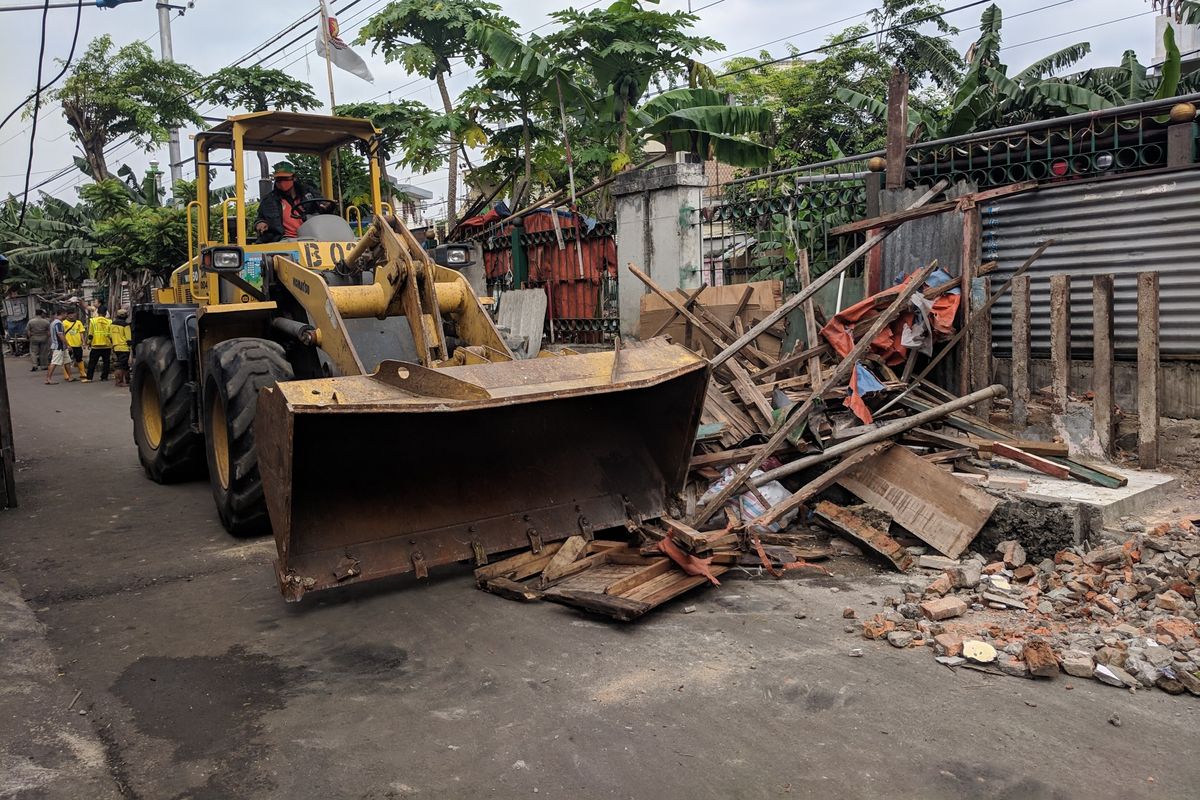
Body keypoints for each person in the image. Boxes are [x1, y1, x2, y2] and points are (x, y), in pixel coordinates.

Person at [253, 162, 321, 243]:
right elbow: (260, 218)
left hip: (313, 237)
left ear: (294, 178)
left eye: (285, 179)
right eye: (278, 179)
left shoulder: (309, 193)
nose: (282, 182)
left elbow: (322, 208)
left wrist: (327, 206)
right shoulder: (269, 200)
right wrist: (260, 223)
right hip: (285, 240)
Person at [86, 304, 113, 381]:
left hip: (95, 345)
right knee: (106, 362)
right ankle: (104, 377)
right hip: (107, 345)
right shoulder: (109, 321)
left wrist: (88, 342)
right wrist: (112, 343)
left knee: (92, 362)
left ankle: (89, 378)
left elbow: (90, 333)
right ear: (105, 313)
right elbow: (111, 335)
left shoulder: (93, 321)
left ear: (98, 312)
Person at [46, 309, 74, 384]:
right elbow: (60, 335)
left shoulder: (54, 322)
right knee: (54, 362)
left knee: (67, 361)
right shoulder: (58, 323)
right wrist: (67, 344)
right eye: (65, 314)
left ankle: (70, 377)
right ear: (62, 314)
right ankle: (48, 379)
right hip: (58, 346)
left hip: (61, 346)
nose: (66, 316)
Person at [62, 308, 88, 382]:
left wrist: (83, 342)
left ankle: (82, 373)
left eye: (72, 314)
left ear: (75, 314)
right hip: (68, 345)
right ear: (67, 315)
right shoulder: (64, 323)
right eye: (69, 314)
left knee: (79, 359)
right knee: (67, 360)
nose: (71, 315)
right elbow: (62, 334)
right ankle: (66, 374)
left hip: (77, 344)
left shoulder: (78, 322)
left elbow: (81, 333)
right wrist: (66, 344)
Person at [111, 308, 132, 388]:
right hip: (124, 347)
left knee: (124, 365)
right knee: (121, 365)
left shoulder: (112, 324)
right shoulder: (125, 325)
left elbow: (110, 336)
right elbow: (128, 338)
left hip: (116, 347)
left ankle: (127, 380)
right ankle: (119, 382)